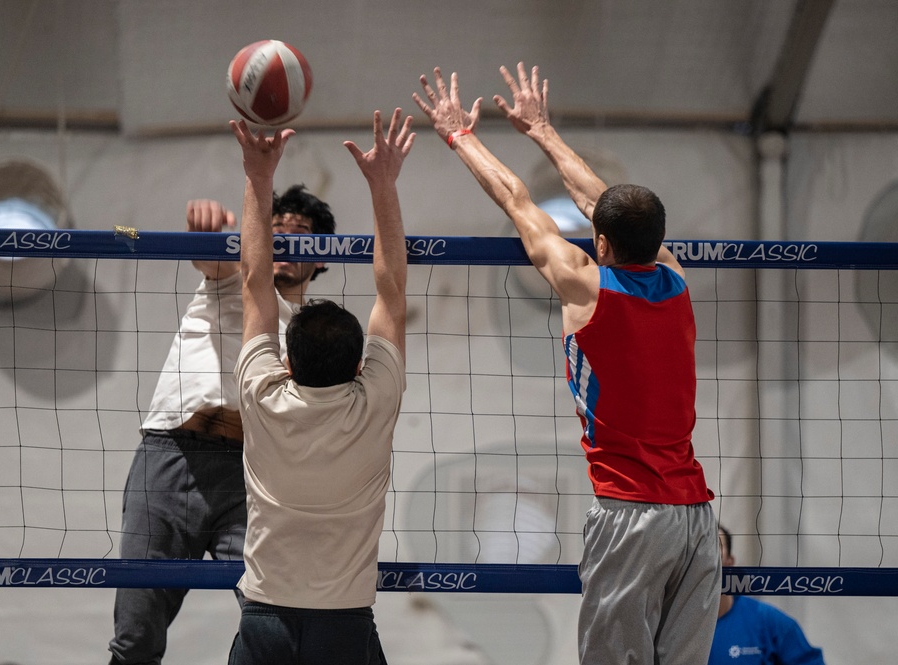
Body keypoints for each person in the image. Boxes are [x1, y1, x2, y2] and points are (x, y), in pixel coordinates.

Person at [414, 63, 721, 664]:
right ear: (658, 237)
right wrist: (544, 131)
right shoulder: (677, 278)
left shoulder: (587, 287)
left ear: (600, 243)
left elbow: (517, 200)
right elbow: (599, 202)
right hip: (697, 520)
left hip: (631, 514)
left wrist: (459, 135)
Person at [108, 187, 336, 665]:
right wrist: (208, 238)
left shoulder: (318, 333)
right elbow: (206, 259)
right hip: (172, 459)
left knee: (273, 626)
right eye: (276, 232)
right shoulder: (231, 278)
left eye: (302, 235)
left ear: (322, 259)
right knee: (135, 639)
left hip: (253, 479)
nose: (287, 242)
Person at [226, 107, 413, 665]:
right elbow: (392, 290)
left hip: (265, 615)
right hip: (344, 620)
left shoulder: (262, 394)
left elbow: (255, 283)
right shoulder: (374, 400)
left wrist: (258, 177)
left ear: (285, 360)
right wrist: (383, 186)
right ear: (361, 366)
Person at [710, 526, 825, 665]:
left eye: (715, 545)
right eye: (701, 546)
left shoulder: (768, 621)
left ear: (730, 561)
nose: (708, 554)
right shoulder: (679, 622)